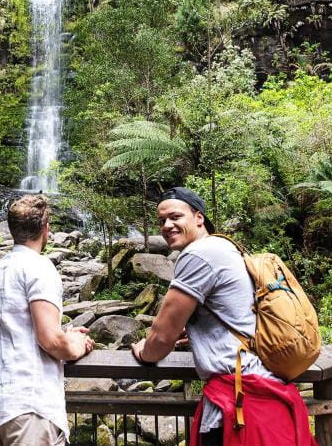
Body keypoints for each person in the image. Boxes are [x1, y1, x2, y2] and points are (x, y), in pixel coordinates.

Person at [131, 187, 316, 446]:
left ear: (198, 217)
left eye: (175, 217)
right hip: (264, 388)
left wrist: (142, 352)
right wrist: (196, 331)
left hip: (240, 398)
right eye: (162, 220)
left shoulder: (198, 255)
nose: (167, 225)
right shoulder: (226, 247)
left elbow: (160, 339)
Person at [0, 194, 94, 446]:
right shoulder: (38, 267)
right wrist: (77, 343)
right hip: (27, 407)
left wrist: (63, 331)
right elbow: (51, 341)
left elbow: (15, 328)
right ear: (46, 230)